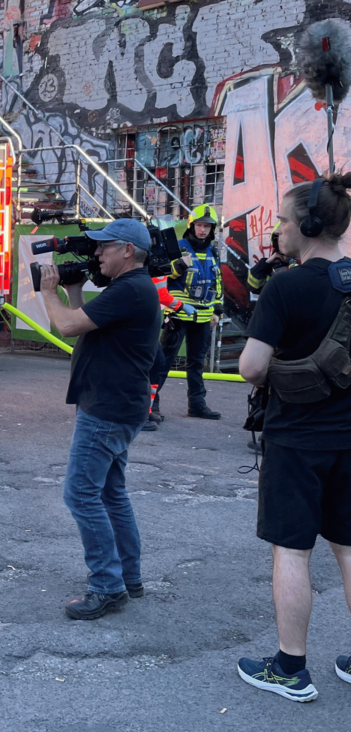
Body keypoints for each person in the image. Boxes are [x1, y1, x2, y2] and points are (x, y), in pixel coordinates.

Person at [236, 173, 351, 702]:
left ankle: (289, 668)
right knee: (349, 548)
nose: (278, 229)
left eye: (282, 220)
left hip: (297, 439)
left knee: (293, 550)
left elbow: (251, 368)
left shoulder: (286, 285)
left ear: (306, 226)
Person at [38, 218, 161, 620]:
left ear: (127, 250)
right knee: (110, 493)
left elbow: (67, 325)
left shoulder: (130, 290)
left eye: (104, 247)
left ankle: (108, 586)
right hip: (117, 404)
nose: (96, 254)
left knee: (80, 494)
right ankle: (129, 576)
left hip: (107, 409)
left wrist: (48, 292)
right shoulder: (132, 290)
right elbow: (85, 327)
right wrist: (73, 292)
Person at [156, 204, 224, 419]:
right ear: (191, 225)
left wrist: (217, 311)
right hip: (179, 315)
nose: (203, 230)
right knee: (164, 360)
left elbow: (218, 281)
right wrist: (180, 266)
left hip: (204, 316)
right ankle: (151, 403)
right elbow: (164, 276)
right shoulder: (179, 247)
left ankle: (197, 404)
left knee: (196, 362)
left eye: (207, 226)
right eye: (200, 225)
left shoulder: (213, 251)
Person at [143, 273, 196, 431]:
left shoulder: (154, 262)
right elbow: (161, 294)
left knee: (156, 365)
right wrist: (181, 306)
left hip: (145, 323)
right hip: (142, 324)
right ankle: (140, 413)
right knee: (149, 368)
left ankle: (146, 410)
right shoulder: (155, 264)